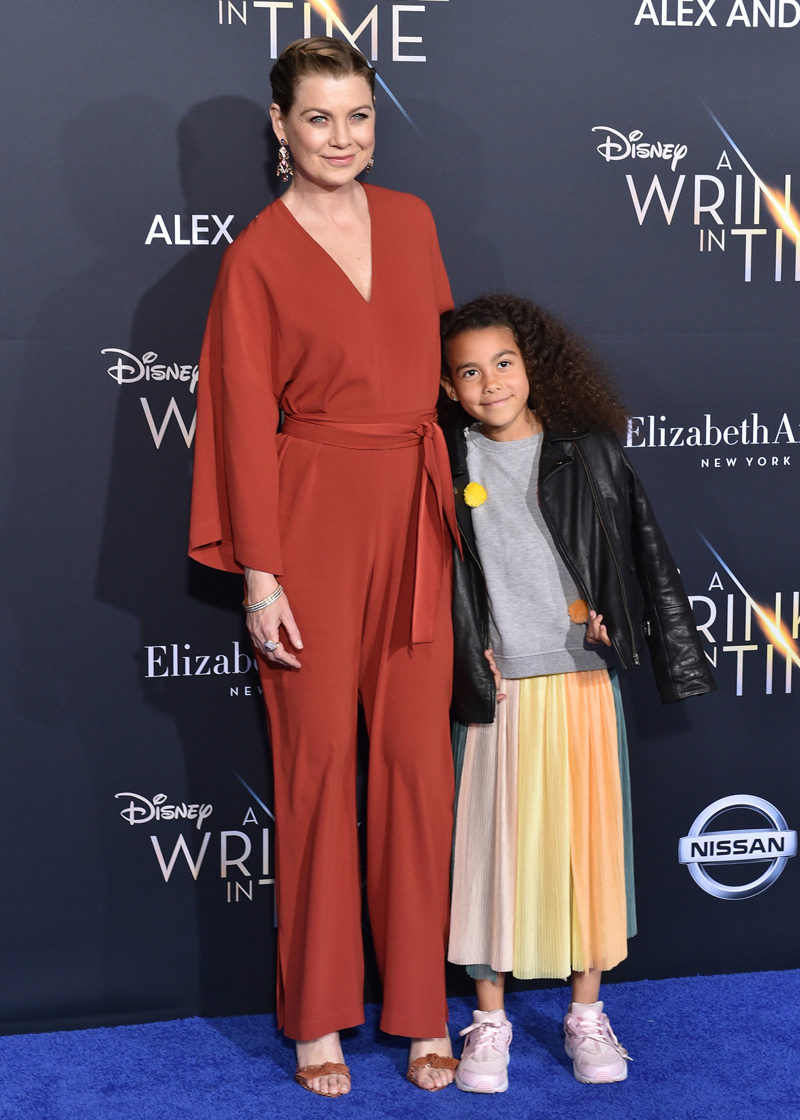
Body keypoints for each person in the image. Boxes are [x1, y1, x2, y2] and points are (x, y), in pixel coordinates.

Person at [189, 37, 459, 1097]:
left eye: (358, 116)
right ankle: (315, 1019)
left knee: (417, 769)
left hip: (416, 513)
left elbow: (447, 385)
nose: (341, 137)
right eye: (318, 118)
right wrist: (261, 575)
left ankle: (421, 1007)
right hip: (309, 520)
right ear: (279, 127)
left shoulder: (414, 221)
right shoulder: (256, 255)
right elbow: (238, 422)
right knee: (312, 773)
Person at [438, 294, 715, 1093]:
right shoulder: (445, 462)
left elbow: (642, 556)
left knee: (586, 851)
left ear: (532, 366)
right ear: (448, 387)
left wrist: (619, 624)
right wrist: (463, 649)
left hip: (582, 680)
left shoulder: (590, 453)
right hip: (496, 690)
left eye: (503, 363)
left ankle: (585, 1013)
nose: (490, 383)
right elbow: (431, 575)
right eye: (469, 372)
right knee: (488, 851)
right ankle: (489, 1021)